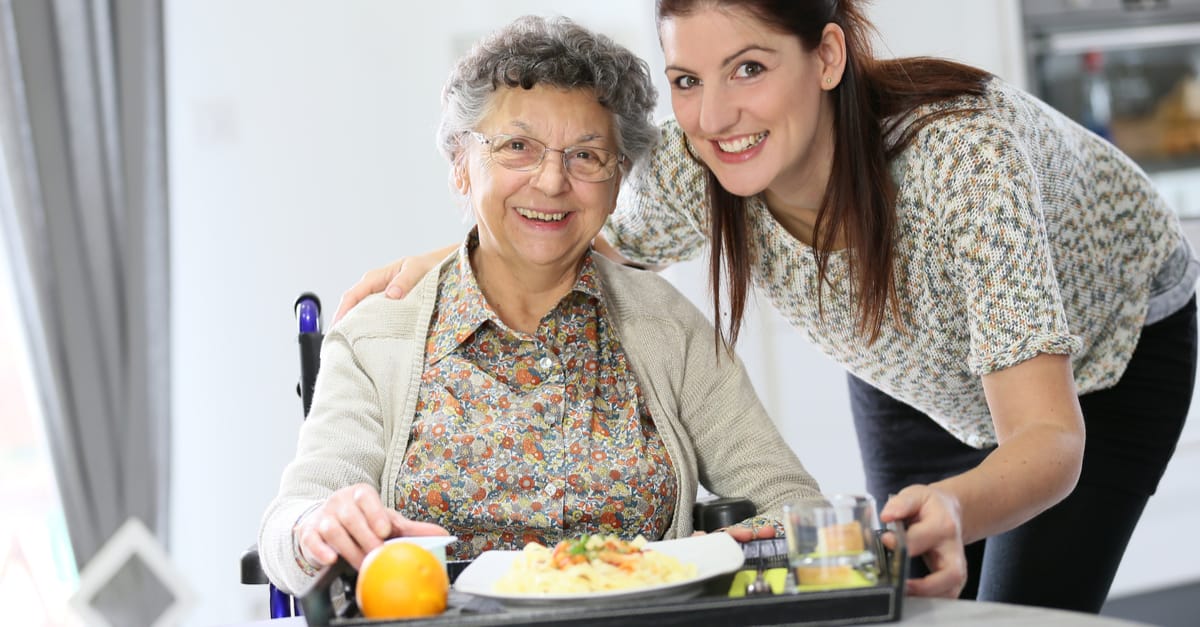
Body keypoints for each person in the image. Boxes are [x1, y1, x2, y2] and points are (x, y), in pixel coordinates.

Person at [333, 0, 1199, 613]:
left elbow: (1048, 439)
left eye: (749, 68)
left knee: (1013, 611)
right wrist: (446, 260)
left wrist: (962, 505)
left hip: (1104, 355)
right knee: (897, 601)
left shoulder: (960, 160)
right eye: (685, 78)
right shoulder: (693, 162)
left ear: (826, 56)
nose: (715, 116)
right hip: (906, 365)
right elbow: (566, 224)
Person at [258, 14, 824, 596]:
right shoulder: (378, 338)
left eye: (586, 155)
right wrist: (314, 527)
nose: (552, 181)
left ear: (617, 178)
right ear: (460, 165)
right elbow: (290, 527)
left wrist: (692, 560)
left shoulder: (667, 325)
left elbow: (794, 507)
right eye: (517, 147)